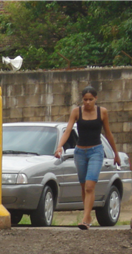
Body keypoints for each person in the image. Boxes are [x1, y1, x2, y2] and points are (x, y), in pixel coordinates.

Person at [54, 85, 120, 230]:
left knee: (90, 186)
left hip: (96, 151)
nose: (88, 102)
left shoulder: (102, 112)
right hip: (80, 152)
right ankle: (88, 215)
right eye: (85, 100)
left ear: (96, 99)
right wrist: (60, 146)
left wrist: (116, 154)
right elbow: (68, 130)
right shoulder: (76, 112)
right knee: (84, 186)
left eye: (91, 99)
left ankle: (85, 219)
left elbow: (108, 133)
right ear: (82, 100)